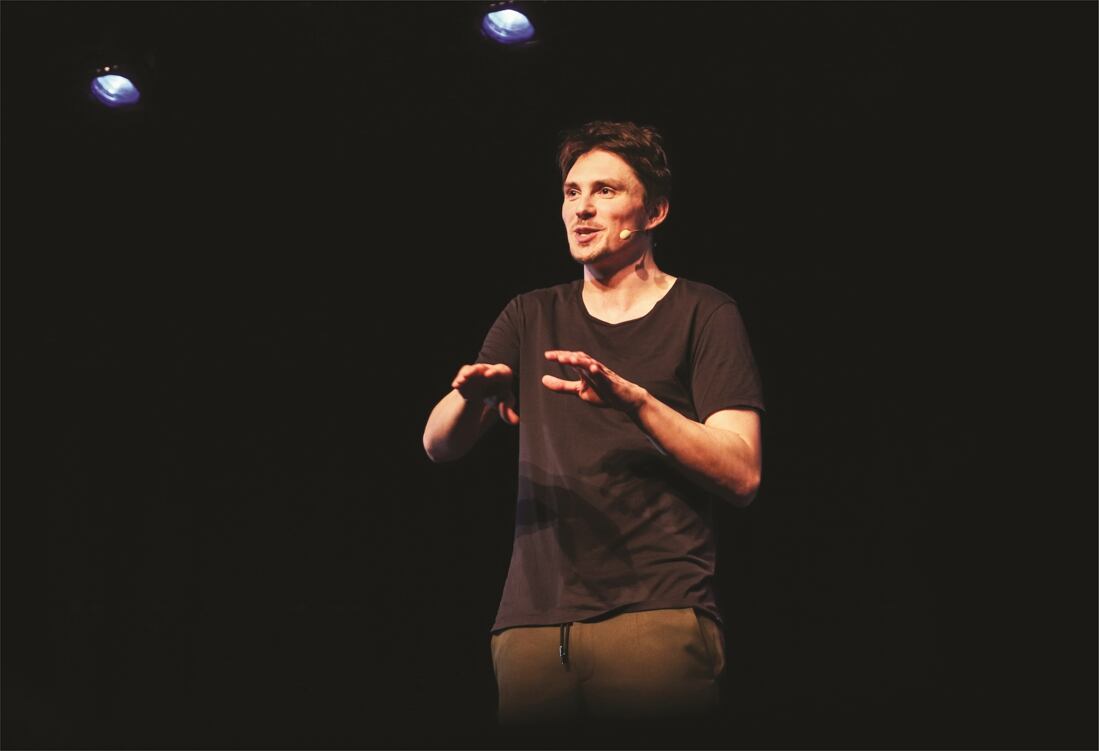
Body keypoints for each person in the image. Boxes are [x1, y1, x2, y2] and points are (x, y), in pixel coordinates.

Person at [422, 121, 765, 730]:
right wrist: (471, 397)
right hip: (530, 627)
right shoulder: (530, 314)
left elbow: (742, 473)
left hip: (654, 614)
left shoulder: (705, 312)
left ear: (654, 211)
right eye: (572, 192)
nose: (582, 208)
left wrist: (635, 403)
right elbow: (437, 445)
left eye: (605, 191)